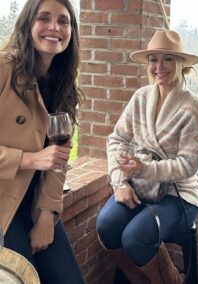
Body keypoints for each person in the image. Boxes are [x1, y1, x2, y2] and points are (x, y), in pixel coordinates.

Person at [96, 30, 198, 284]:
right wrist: (120, 183)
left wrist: (145, 169)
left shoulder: (193, 107)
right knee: (107, 225)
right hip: (139, 187)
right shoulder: (141, 97)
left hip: (178, 195)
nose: (159, 66)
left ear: (180, 64)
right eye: (153, 59)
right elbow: (117, 139)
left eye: (168, 59)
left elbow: (189, 165)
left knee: (136, 237)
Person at [0, 0, 85, 283]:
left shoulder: (63, 83)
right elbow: (43, 159)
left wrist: (47, 214)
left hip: (36, 201)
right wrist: (29, 159)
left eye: (63, 21)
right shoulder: (4, 69)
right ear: (28, 24)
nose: (54, 27)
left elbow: (59, 159)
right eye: (44, 18)